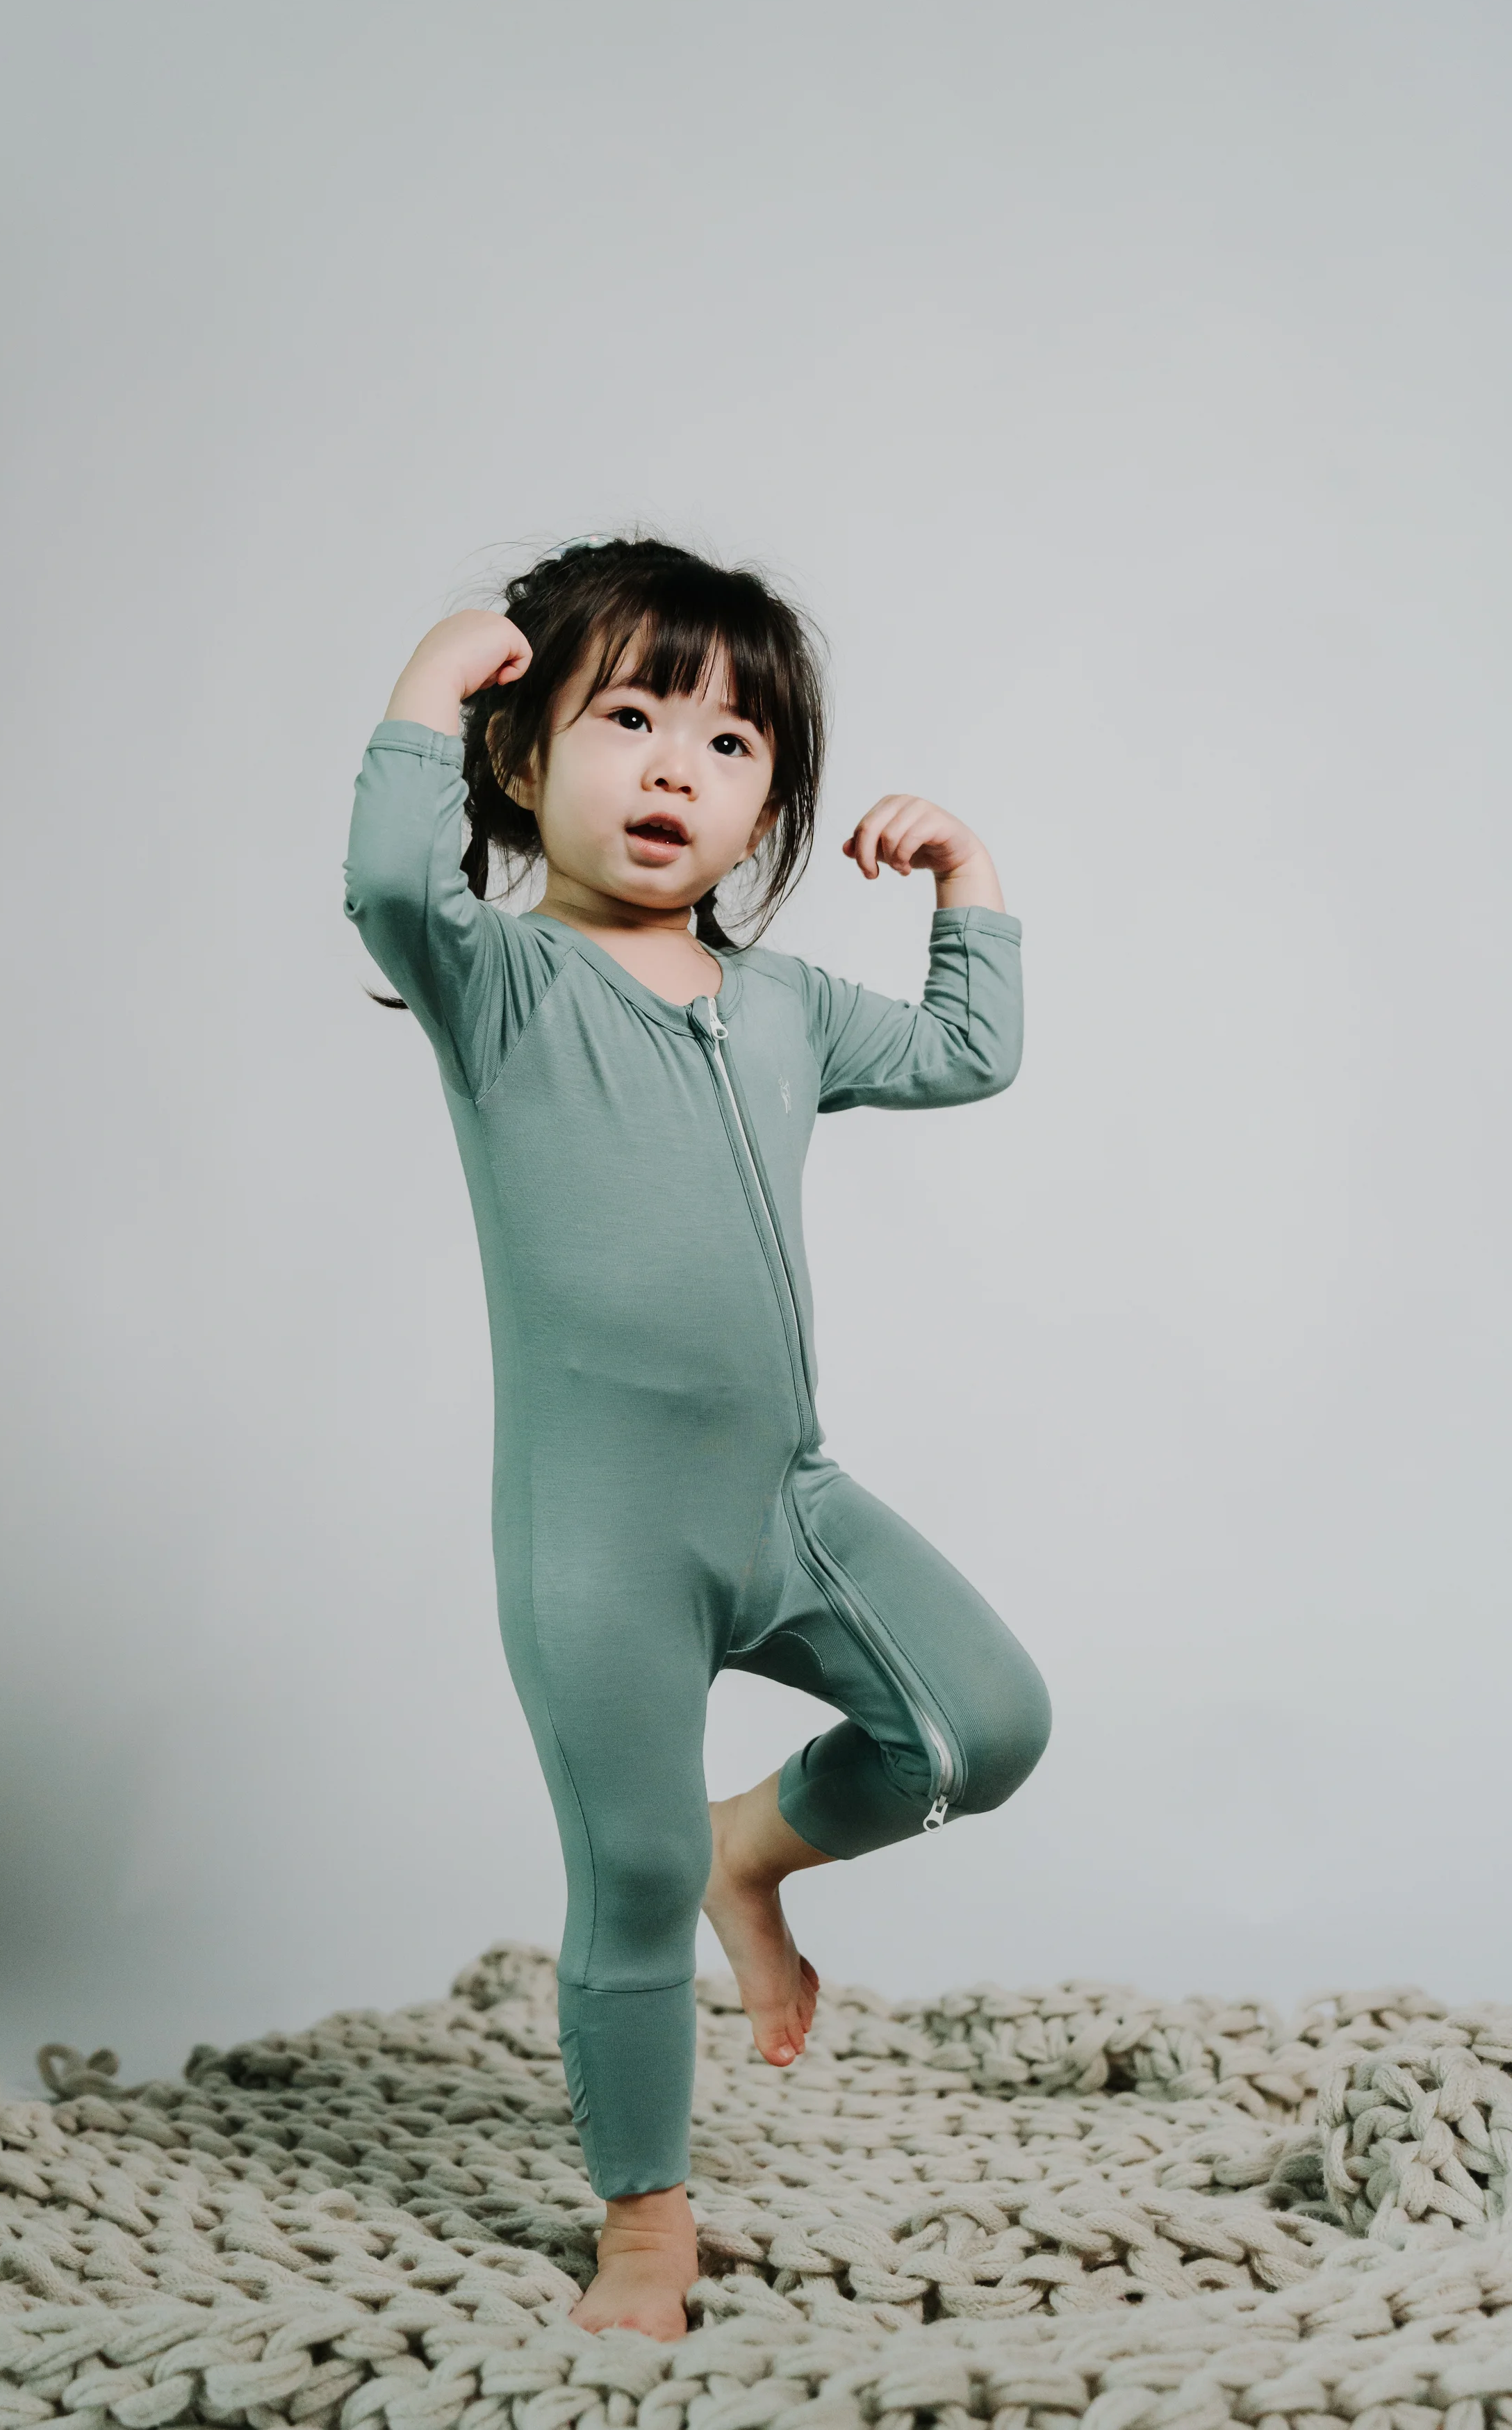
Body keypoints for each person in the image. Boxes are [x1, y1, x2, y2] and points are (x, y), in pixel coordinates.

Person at [343, 537, 1051, 2339]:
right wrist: (429, 685)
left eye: (729, 742)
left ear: (767, 809)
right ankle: (644, 2221)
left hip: (785, 1504)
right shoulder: (502, 986)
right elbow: (389, 880)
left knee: (983, 1723)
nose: (676, 766)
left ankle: (762, 1848)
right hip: (598, 1536)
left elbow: (968, 1051)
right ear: (519, 763)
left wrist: (968, 876)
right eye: (627, 718)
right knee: (632, 1874)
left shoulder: (787, 1007)